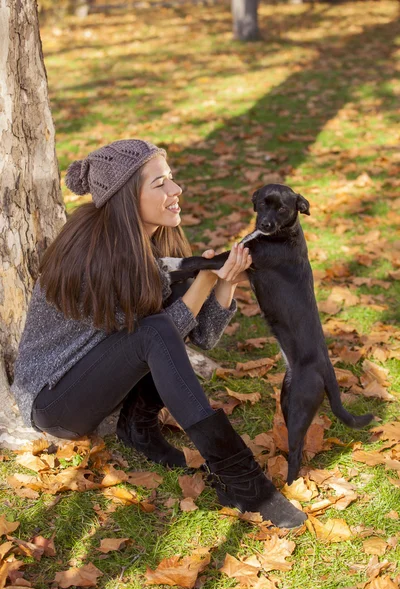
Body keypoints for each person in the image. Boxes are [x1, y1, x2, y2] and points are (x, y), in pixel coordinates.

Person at [11, 139, 306, 528]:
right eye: (160, 183)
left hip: (98, 376)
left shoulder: (154, 242)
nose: (176, 190)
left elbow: (200, 337)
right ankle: (241, 479)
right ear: (125, 198)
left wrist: (224, 282)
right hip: (55, 400)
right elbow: (159, 334)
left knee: (165, 317)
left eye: (172, 179)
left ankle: (138, 428)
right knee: (155, 329)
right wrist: (203, 279)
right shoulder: (96, 256)